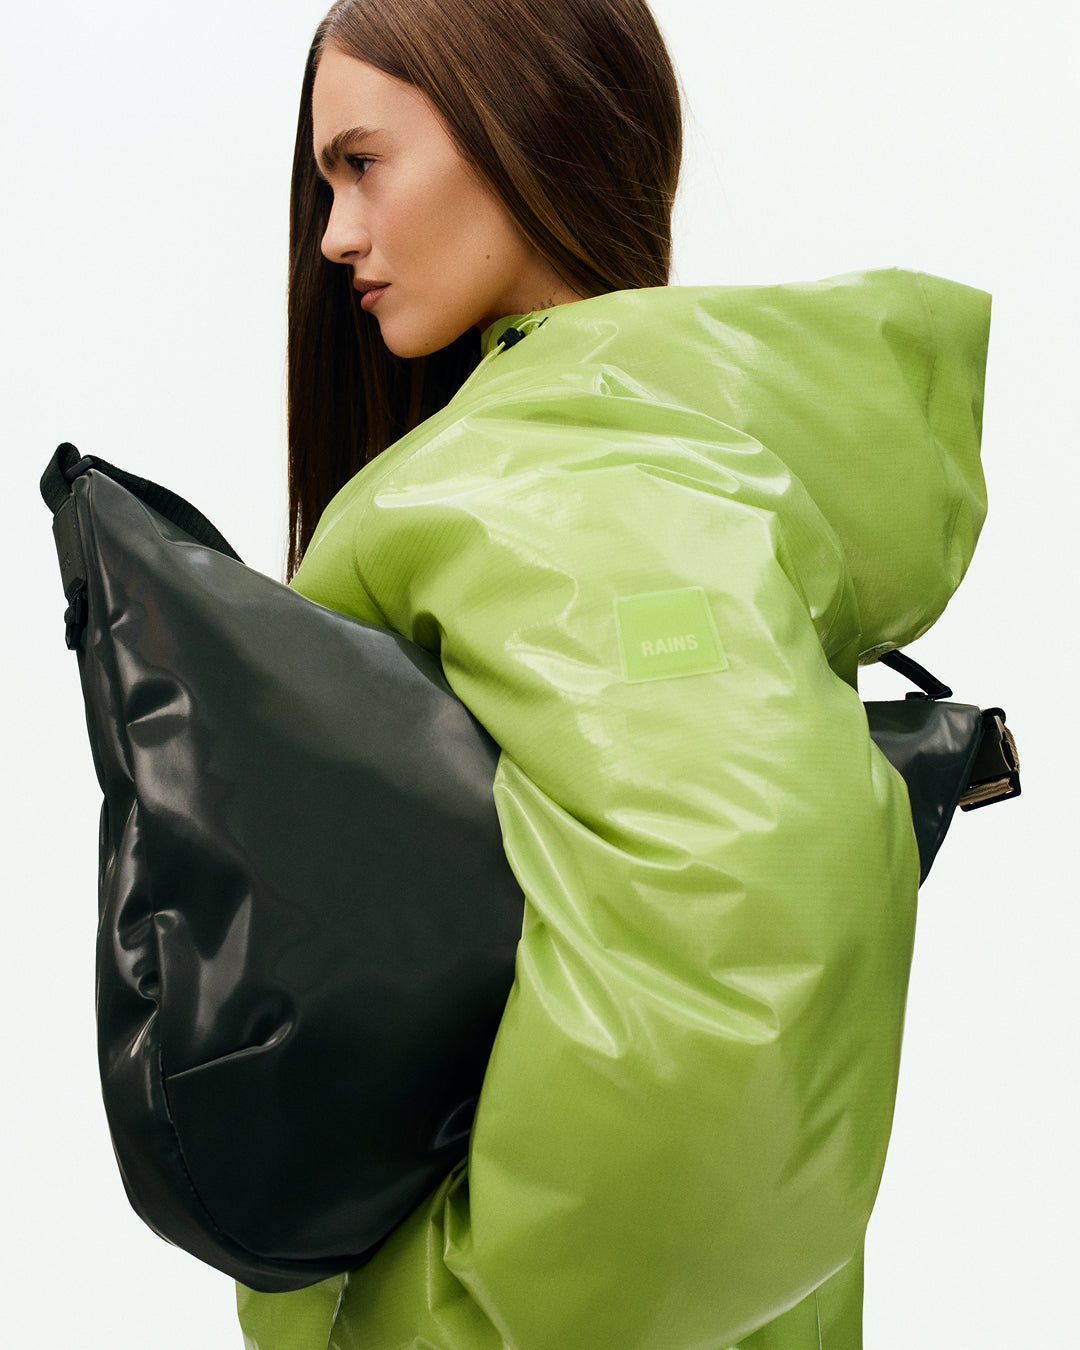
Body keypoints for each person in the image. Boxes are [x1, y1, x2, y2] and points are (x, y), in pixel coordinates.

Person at [237, 0, 990, 1346]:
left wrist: (433, 1318)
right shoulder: (693, 448)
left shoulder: (541, 487)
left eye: (363, 164)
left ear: (517, 125)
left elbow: (726, 935)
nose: (335, 233)